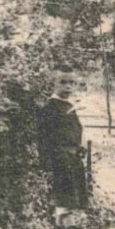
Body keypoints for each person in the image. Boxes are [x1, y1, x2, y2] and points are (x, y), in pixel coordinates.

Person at [37, 75, 89, 209]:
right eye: (63, 82)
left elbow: (76, 130)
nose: (68, 86)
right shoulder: (50, 107)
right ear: (54, 84)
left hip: (73, 157)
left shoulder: (69, 106)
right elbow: (43, 137)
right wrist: (47, 163)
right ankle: (63, 227)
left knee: (75, 199)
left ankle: (73, 227)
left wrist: (81, 146)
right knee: (63, 199)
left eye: (72, 82)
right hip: (59, 157)